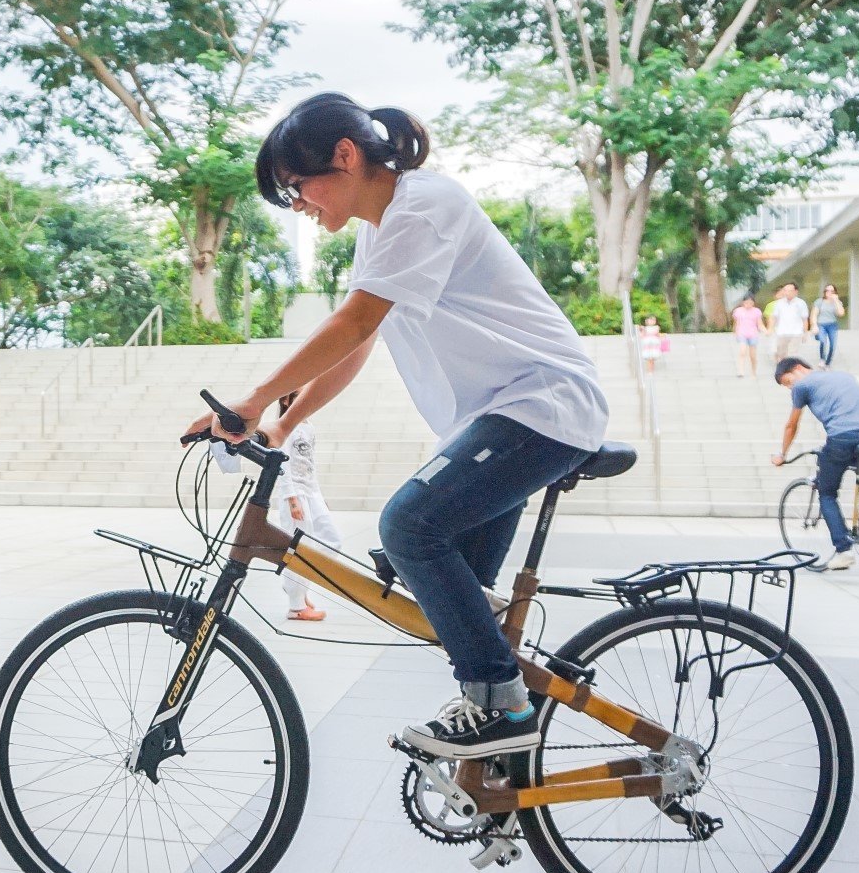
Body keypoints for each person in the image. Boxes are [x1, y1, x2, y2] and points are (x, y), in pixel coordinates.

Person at [183, 92, 608, 760]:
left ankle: (502, 704)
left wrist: (256, 399)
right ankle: (498, 738)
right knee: (442, 599)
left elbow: (352, 323)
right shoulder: (380, 231)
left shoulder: (425, 206)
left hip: (543, 406)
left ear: (345, 157)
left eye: (298, 187)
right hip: (500, 419)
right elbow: (357, 347)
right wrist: (284, 424)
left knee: (409, 527)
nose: (300, 206)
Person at [771, 357, 859, 570]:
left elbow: (791, 425)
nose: (790, 389)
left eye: (788, 382)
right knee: (855, 454)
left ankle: (843, 550)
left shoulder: (803, 386)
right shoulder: (843, 375)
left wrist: (782, 454)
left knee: (826, 493)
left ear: (798, 369)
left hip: (843, 437)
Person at [268, 390, 342, 621]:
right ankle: (296, 606)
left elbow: (310, 464)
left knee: (332, 541)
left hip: (311, 493)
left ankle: (295, 587)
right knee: (299, 547)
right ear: (285, 399)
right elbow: (283, 466)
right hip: (295, 495)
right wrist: (292, 499)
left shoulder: (309, 427)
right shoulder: (284, 426)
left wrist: (319, 496)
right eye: (298, 395)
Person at [768, 282, 812, 363]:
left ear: (796, 292)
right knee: (781, 354)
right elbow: (774, 317)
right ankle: (782, 370)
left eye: (790, 291)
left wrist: (805, 333)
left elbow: (805, 319)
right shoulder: (779, 303)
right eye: (785, 290)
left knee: (792, 355)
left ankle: (789, 371)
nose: (787, 293)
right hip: (782, 332)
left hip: (796, 333)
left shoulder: (801, 303)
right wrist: (770, 329)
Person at [731, 294, 766, 378]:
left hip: (753, 334)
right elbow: (736, 323)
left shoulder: (756, 311)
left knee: (752, 355)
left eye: (750, 303)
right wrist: (735, 332)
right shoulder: (738, 311)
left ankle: (753, 371)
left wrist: (765, 330)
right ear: (743, 302)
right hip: (742, 334)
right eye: (746, 302)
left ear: (753, 303)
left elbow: (760, 324)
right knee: (742, 352)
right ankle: (741, 371)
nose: (748, 305)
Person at [813, 284, 845, 367]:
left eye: (832, 291)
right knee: (823, 341)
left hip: (832, 325)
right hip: (821, 324)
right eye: (827, 290)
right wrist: (814, 325)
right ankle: (822, 359)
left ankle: (827, 363)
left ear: (835, 292)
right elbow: (814, 314)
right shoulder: (819, 301)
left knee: (832, 345)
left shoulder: (837, 302)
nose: (829, 293)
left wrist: (836, 301)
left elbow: (841, 313)